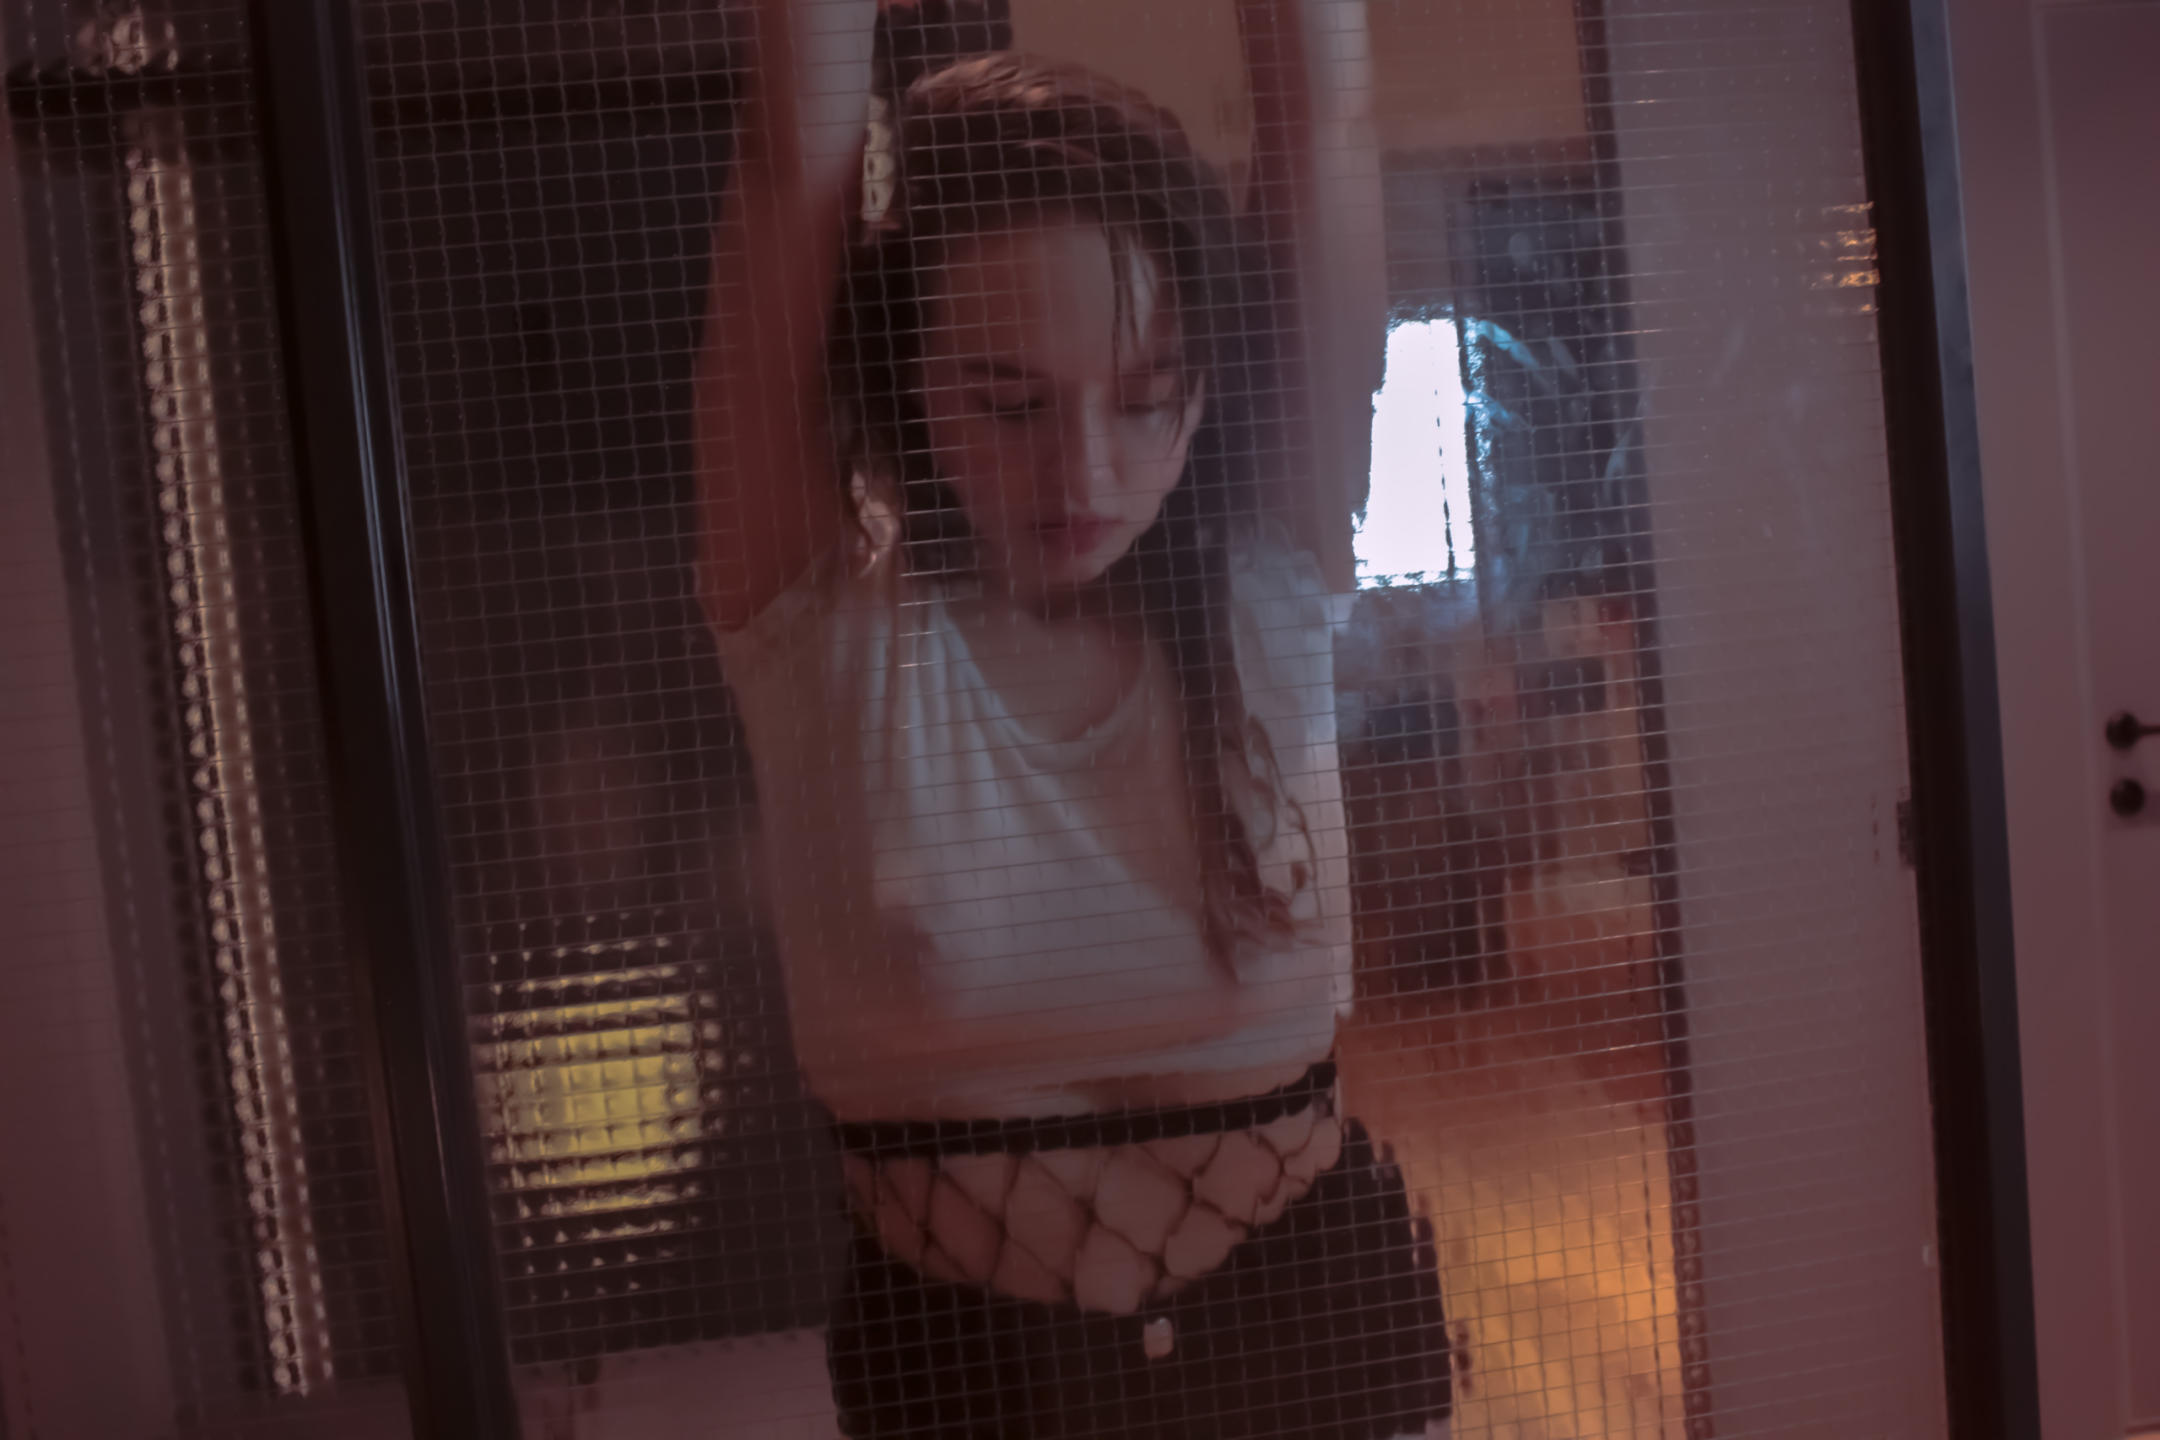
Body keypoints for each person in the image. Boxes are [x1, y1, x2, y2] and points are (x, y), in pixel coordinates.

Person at [696, 2, 1450, 1434]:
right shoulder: (822, 625)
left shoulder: (1265, 578)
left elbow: (1327, 110)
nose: (1086, 474)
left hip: (1318, 1343)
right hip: (980, 1384)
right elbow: (792, 152)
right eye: (1008, 404)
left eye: (1150, 397)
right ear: (906, 383)